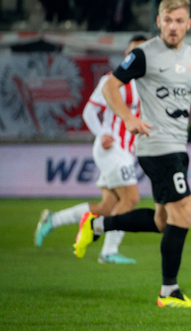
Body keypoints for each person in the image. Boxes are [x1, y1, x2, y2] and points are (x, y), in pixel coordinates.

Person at [73, 0, 191, 308]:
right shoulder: (144, 54)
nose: (173, 27)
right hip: (156, 145)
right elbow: (111, 85)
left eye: (179, 21)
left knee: (164, 221)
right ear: (158, 23)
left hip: (178, 145)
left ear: (188, 24)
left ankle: (97, 224)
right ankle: (169, 291)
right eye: (167, 21)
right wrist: (127, 117)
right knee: (185, 212)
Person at [34, 35, 148, 264]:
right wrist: (102, 133)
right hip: (111, 148)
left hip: (125, 151)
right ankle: (108, 251)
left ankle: (52, 220)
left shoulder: (148, 84)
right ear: (126, 55)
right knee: (131, 198)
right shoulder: (112, 80)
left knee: (107, 206)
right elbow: (89, 111)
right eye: (134, 52)